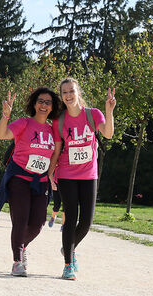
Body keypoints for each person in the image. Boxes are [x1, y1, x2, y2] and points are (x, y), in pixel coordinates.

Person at [48, 77, 116, 280]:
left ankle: (68, 248)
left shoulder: (93, 114)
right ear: (61, 96)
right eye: (65, 92)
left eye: (71, 91)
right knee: (70, 218)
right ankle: (68, 264)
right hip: (67, 173)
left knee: (86, 222)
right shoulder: (59, 121)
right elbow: (58, 149)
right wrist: (50, 172)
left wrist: (110, 111)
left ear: (78, 92)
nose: (68, 95)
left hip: (89, 174)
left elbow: (109, 134)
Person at [0, 87, 60, 277]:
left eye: (48, 102)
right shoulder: (24, 123)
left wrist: (52, 175)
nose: (44, 105)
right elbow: (1, 134)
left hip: (40, 181)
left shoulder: (52, 130)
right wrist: (5, 116)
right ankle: (17, 261)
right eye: (41, 101)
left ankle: (21, 248)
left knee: (38, 223)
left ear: (52, 107)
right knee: (20, 221)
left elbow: (55, 154)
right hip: (19, 179)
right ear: (34, 103)